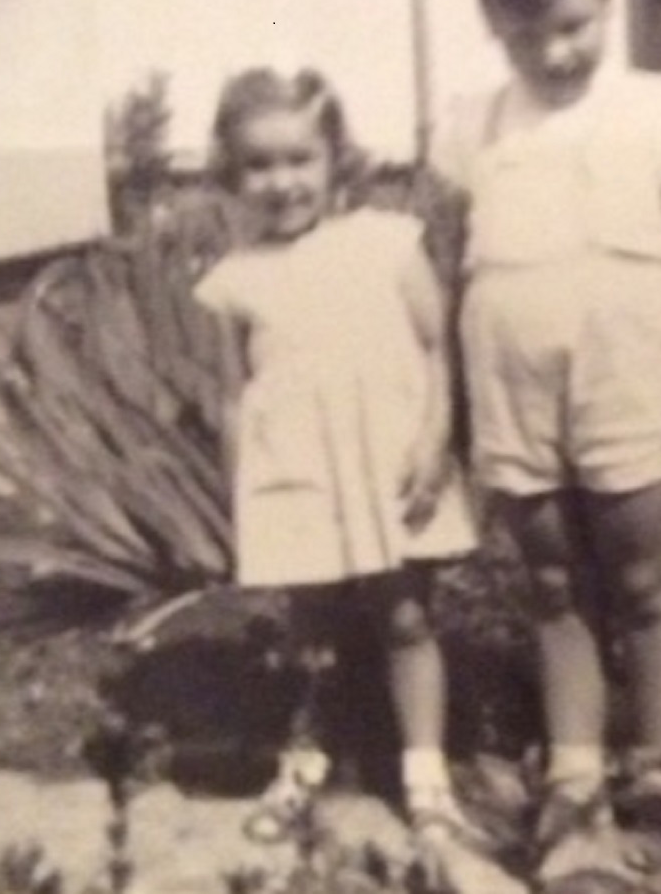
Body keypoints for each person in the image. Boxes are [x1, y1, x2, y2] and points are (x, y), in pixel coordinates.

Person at [431, 0, 661, 878]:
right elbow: (442, 272)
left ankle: (660, 772)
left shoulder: (655, 108)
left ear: (606, 1)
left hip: (629, 375)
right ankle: (572, 780)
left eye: (573, 25)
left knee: (648, 579)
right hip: (513, 389)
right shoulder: (469, 127)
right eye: (529, 34)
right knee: (550, 584)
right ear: (494, 27)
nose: (557, 52)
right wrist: (443, 404)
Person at [193, 66, 486, 852]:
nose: (281, 181)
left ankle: (427, 780)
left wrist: (434, 443)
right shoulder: (232, 281)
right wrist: (239, 497)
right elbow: (231, 397)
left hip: (389, 466)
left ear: (334, 159)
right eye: (259, 165)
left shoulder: (388, 242)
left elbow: (436, 348)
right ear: (231, 173)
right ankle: (306, 762)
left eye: (300, 159)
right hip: (298, 477)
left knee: (406, 615)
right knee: (312, 631)